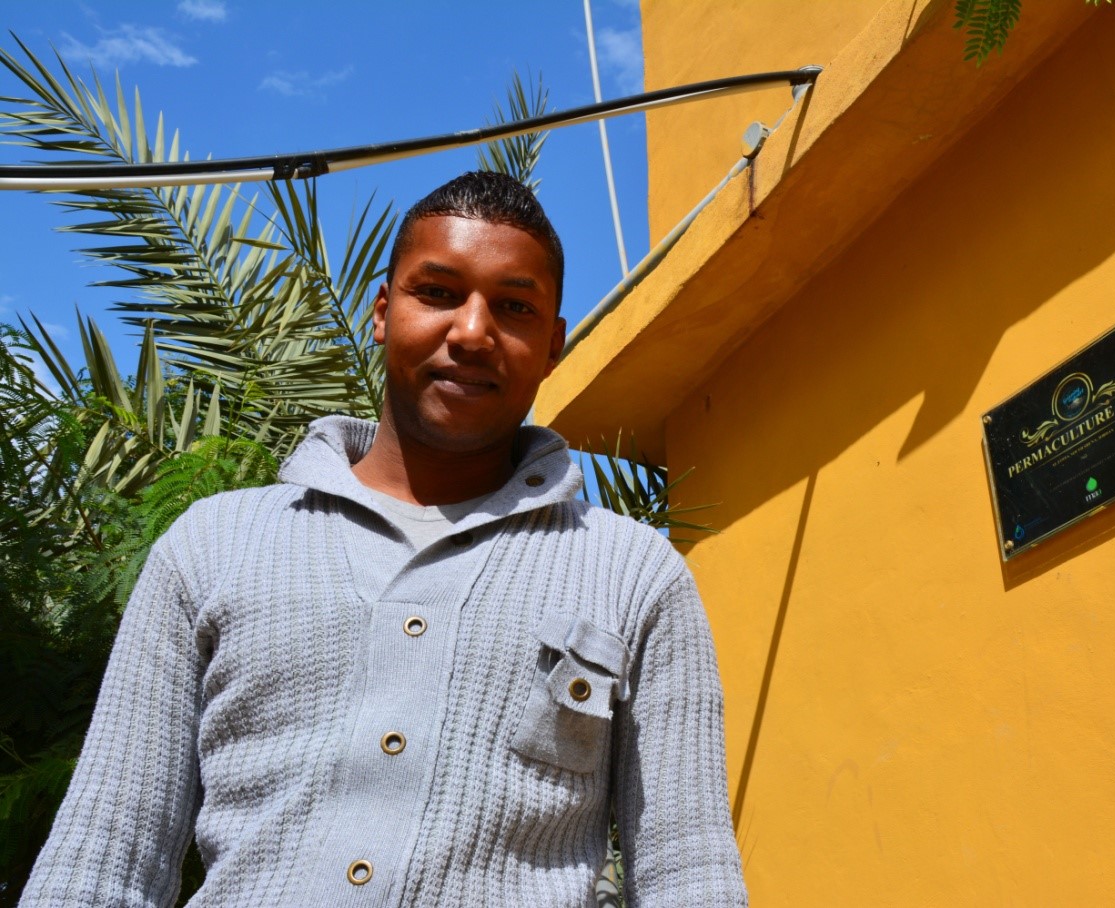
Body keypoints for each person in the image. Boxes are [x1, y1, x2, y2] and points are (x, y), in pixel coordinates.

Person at [20, 171, 747, 907]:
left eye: (514, 307)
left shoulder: (632, 574)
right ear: (381, 309)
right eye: (436, 292)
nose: (470, 332)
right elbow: (105, 848)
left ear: (552, 344)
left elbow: (690, 873)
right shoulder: (213, 546)